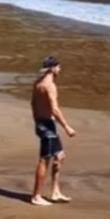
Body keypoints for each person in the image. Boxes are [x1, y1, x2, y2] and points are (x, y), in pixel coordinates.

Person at [30, 54, 75, 205]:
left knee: (60, 156)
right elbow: (54, 110)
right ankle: (36, 196)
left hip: (43, 124)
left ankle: (55, 192)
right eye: (58, 67)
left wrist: (36, 121)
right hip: (47, 126)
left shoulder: (37, 83)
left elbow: (33, 104)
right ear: (52, 68)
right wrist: (67, 127)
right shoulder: (49, 86)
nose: (60, 69)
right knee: (44, 160)